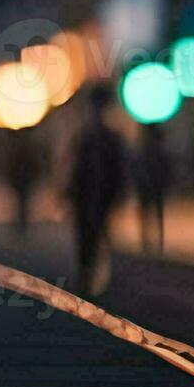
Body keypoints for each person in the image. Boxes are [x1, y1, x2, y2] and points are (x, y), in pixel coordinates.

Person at [66, 83, 125, 296]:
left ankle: (92, 277)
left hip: (101, 197)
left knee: (96, 235)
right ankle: (87, 277)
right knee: (87, 237)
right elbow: (73, 168)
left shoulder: (107, 139)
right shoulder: (86, 138)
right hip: (85, 198)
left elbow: (118, 170)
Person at [132, 124, 170, 258]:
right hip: (152, 186)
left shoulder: (146, 152)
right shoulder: (156, 152)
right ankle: (152, 242)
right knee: (154, 215)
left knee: (150, 214)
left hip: (150, 186)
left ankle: (150, 242)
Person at [2, 130, 45, 235]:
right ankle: (21, 225)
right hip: (22, 180)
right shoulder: (24, 150)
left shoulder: (22, 150)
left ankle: (21, 225)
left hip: (24, 180)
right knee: (22, 203)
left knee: (22, 203)